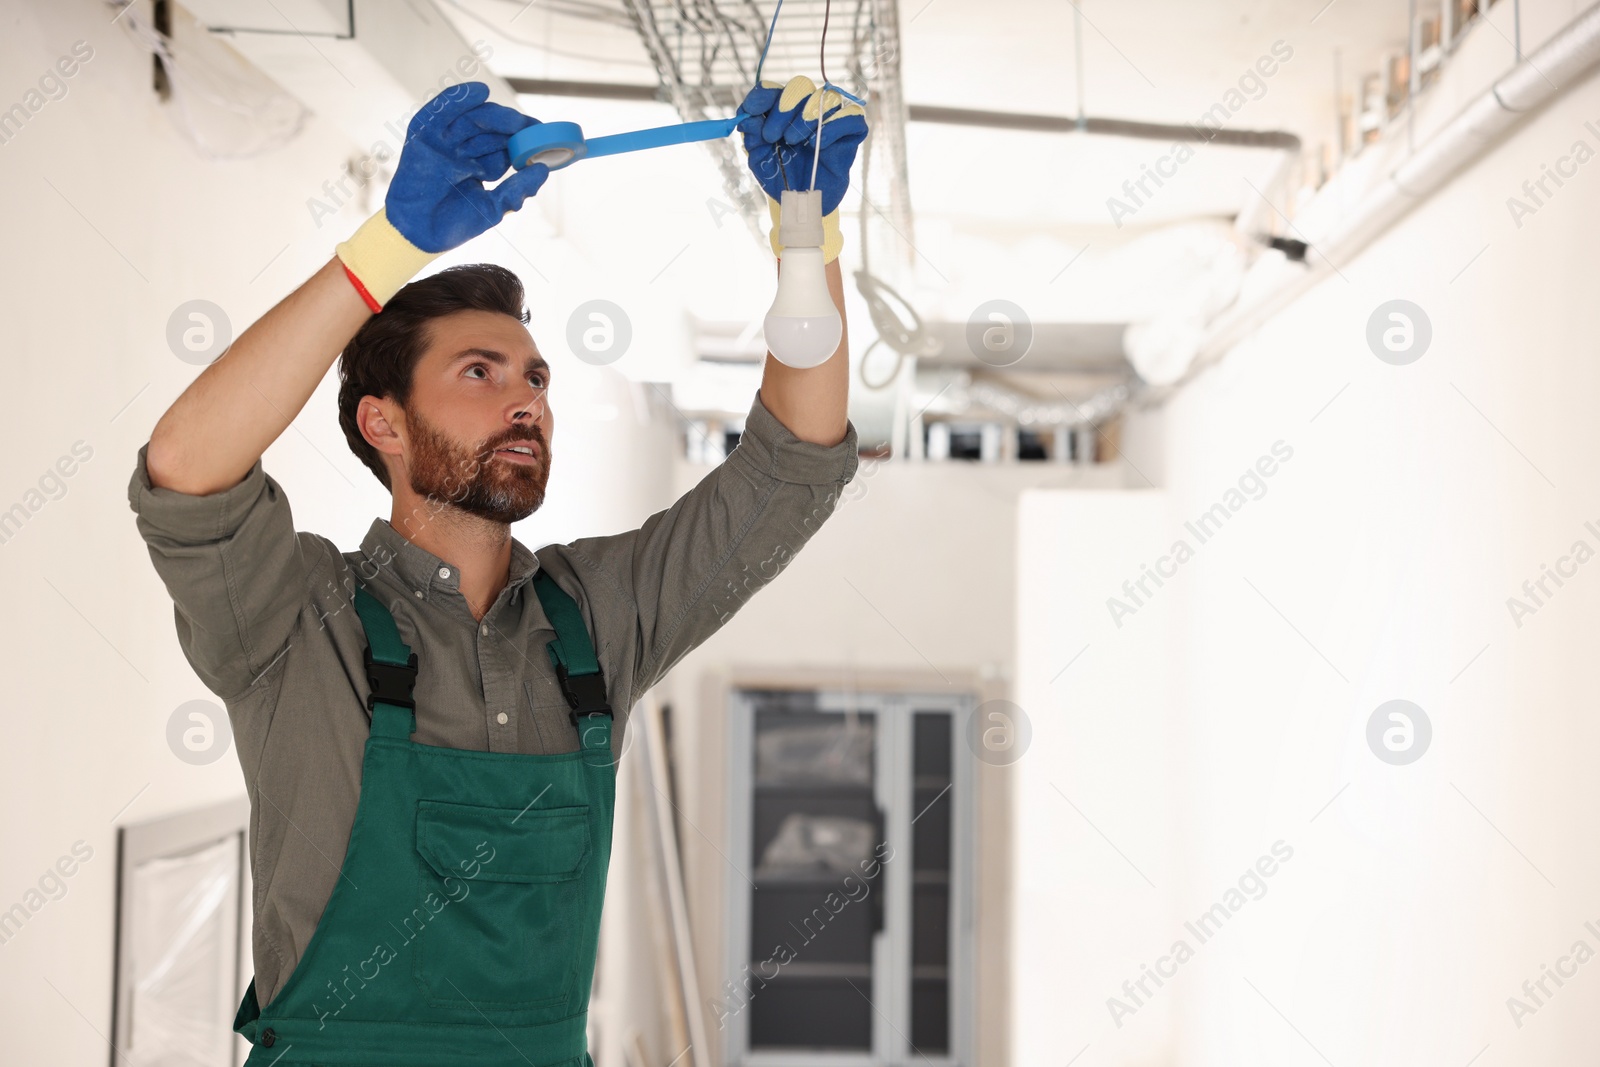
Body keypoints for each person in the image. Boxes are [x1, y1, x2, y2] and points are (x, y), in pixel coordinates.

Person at [126, 77, 868, 1065]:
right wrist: (386, 247)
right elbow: (186, 469)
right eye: (480, 371)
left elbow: (792, 469)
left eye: (535, 377)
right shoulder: (297, 622)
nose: (525, 399)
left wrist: (806, 235)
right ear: (381, 422)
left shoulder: (596, 620)